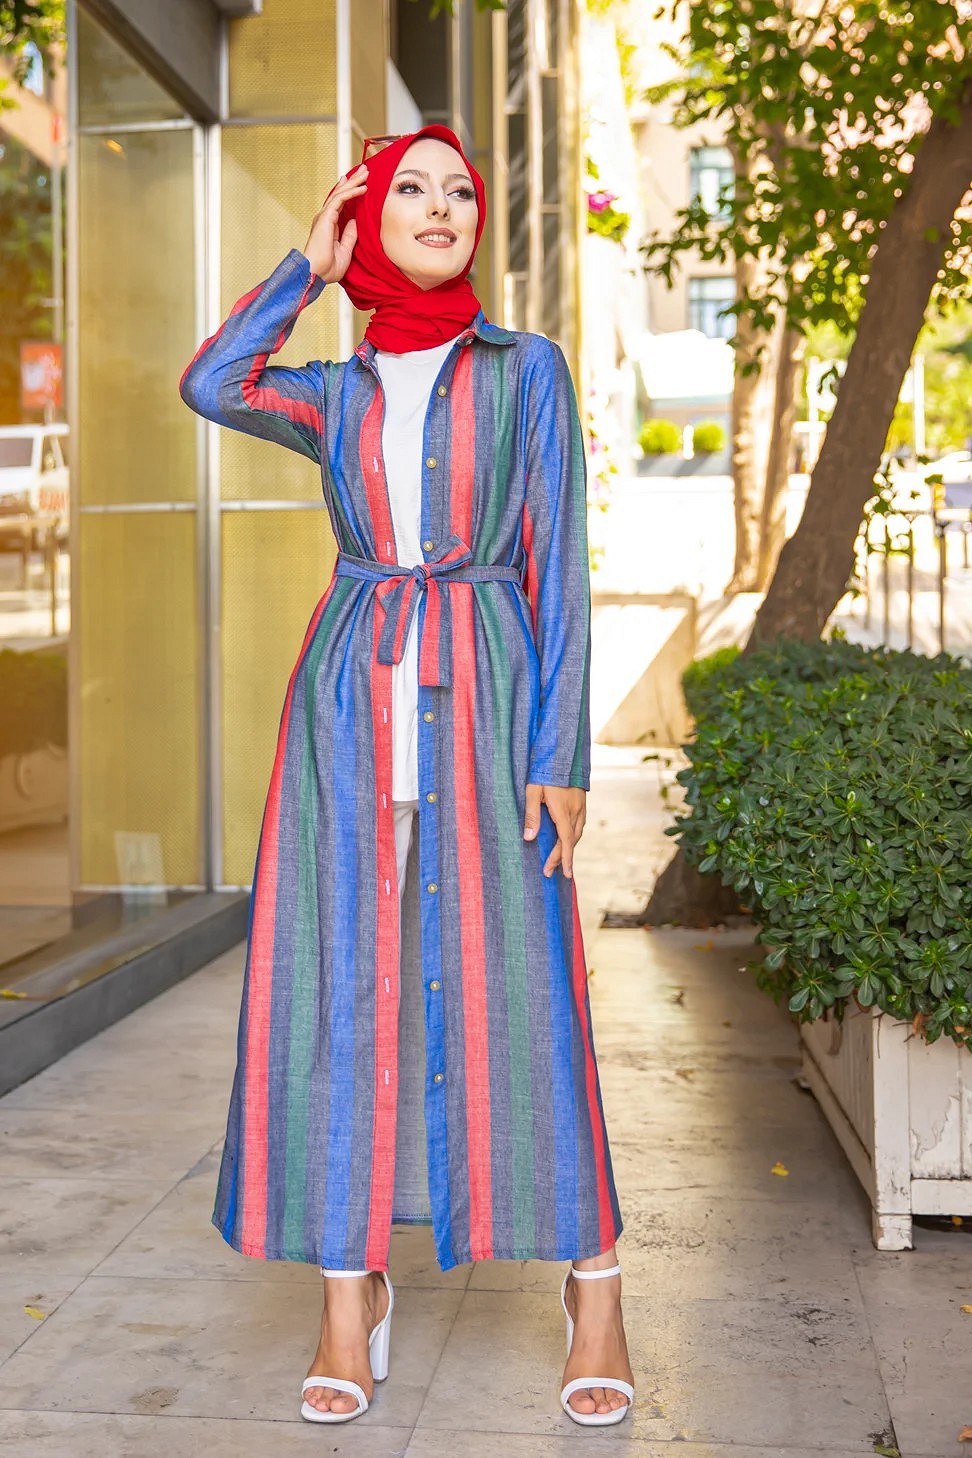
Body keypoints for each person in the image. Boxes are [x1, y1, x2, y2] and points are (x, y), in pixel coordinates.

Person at [179, 123, 634, 1429]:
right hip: (347, 711)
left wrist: (560, 754)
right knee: (340, 993)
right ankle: (349, 1293)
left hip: (491, 705)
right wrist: (303, 270)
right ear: (368, 220)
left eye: (462, 191)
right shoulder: (334, 392)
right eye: (411, 190)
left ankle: (595, 1287)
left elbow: (560, 560)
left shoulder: (526, 370)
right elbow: (214, 381)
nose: (443, 207)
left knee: (528, 985)